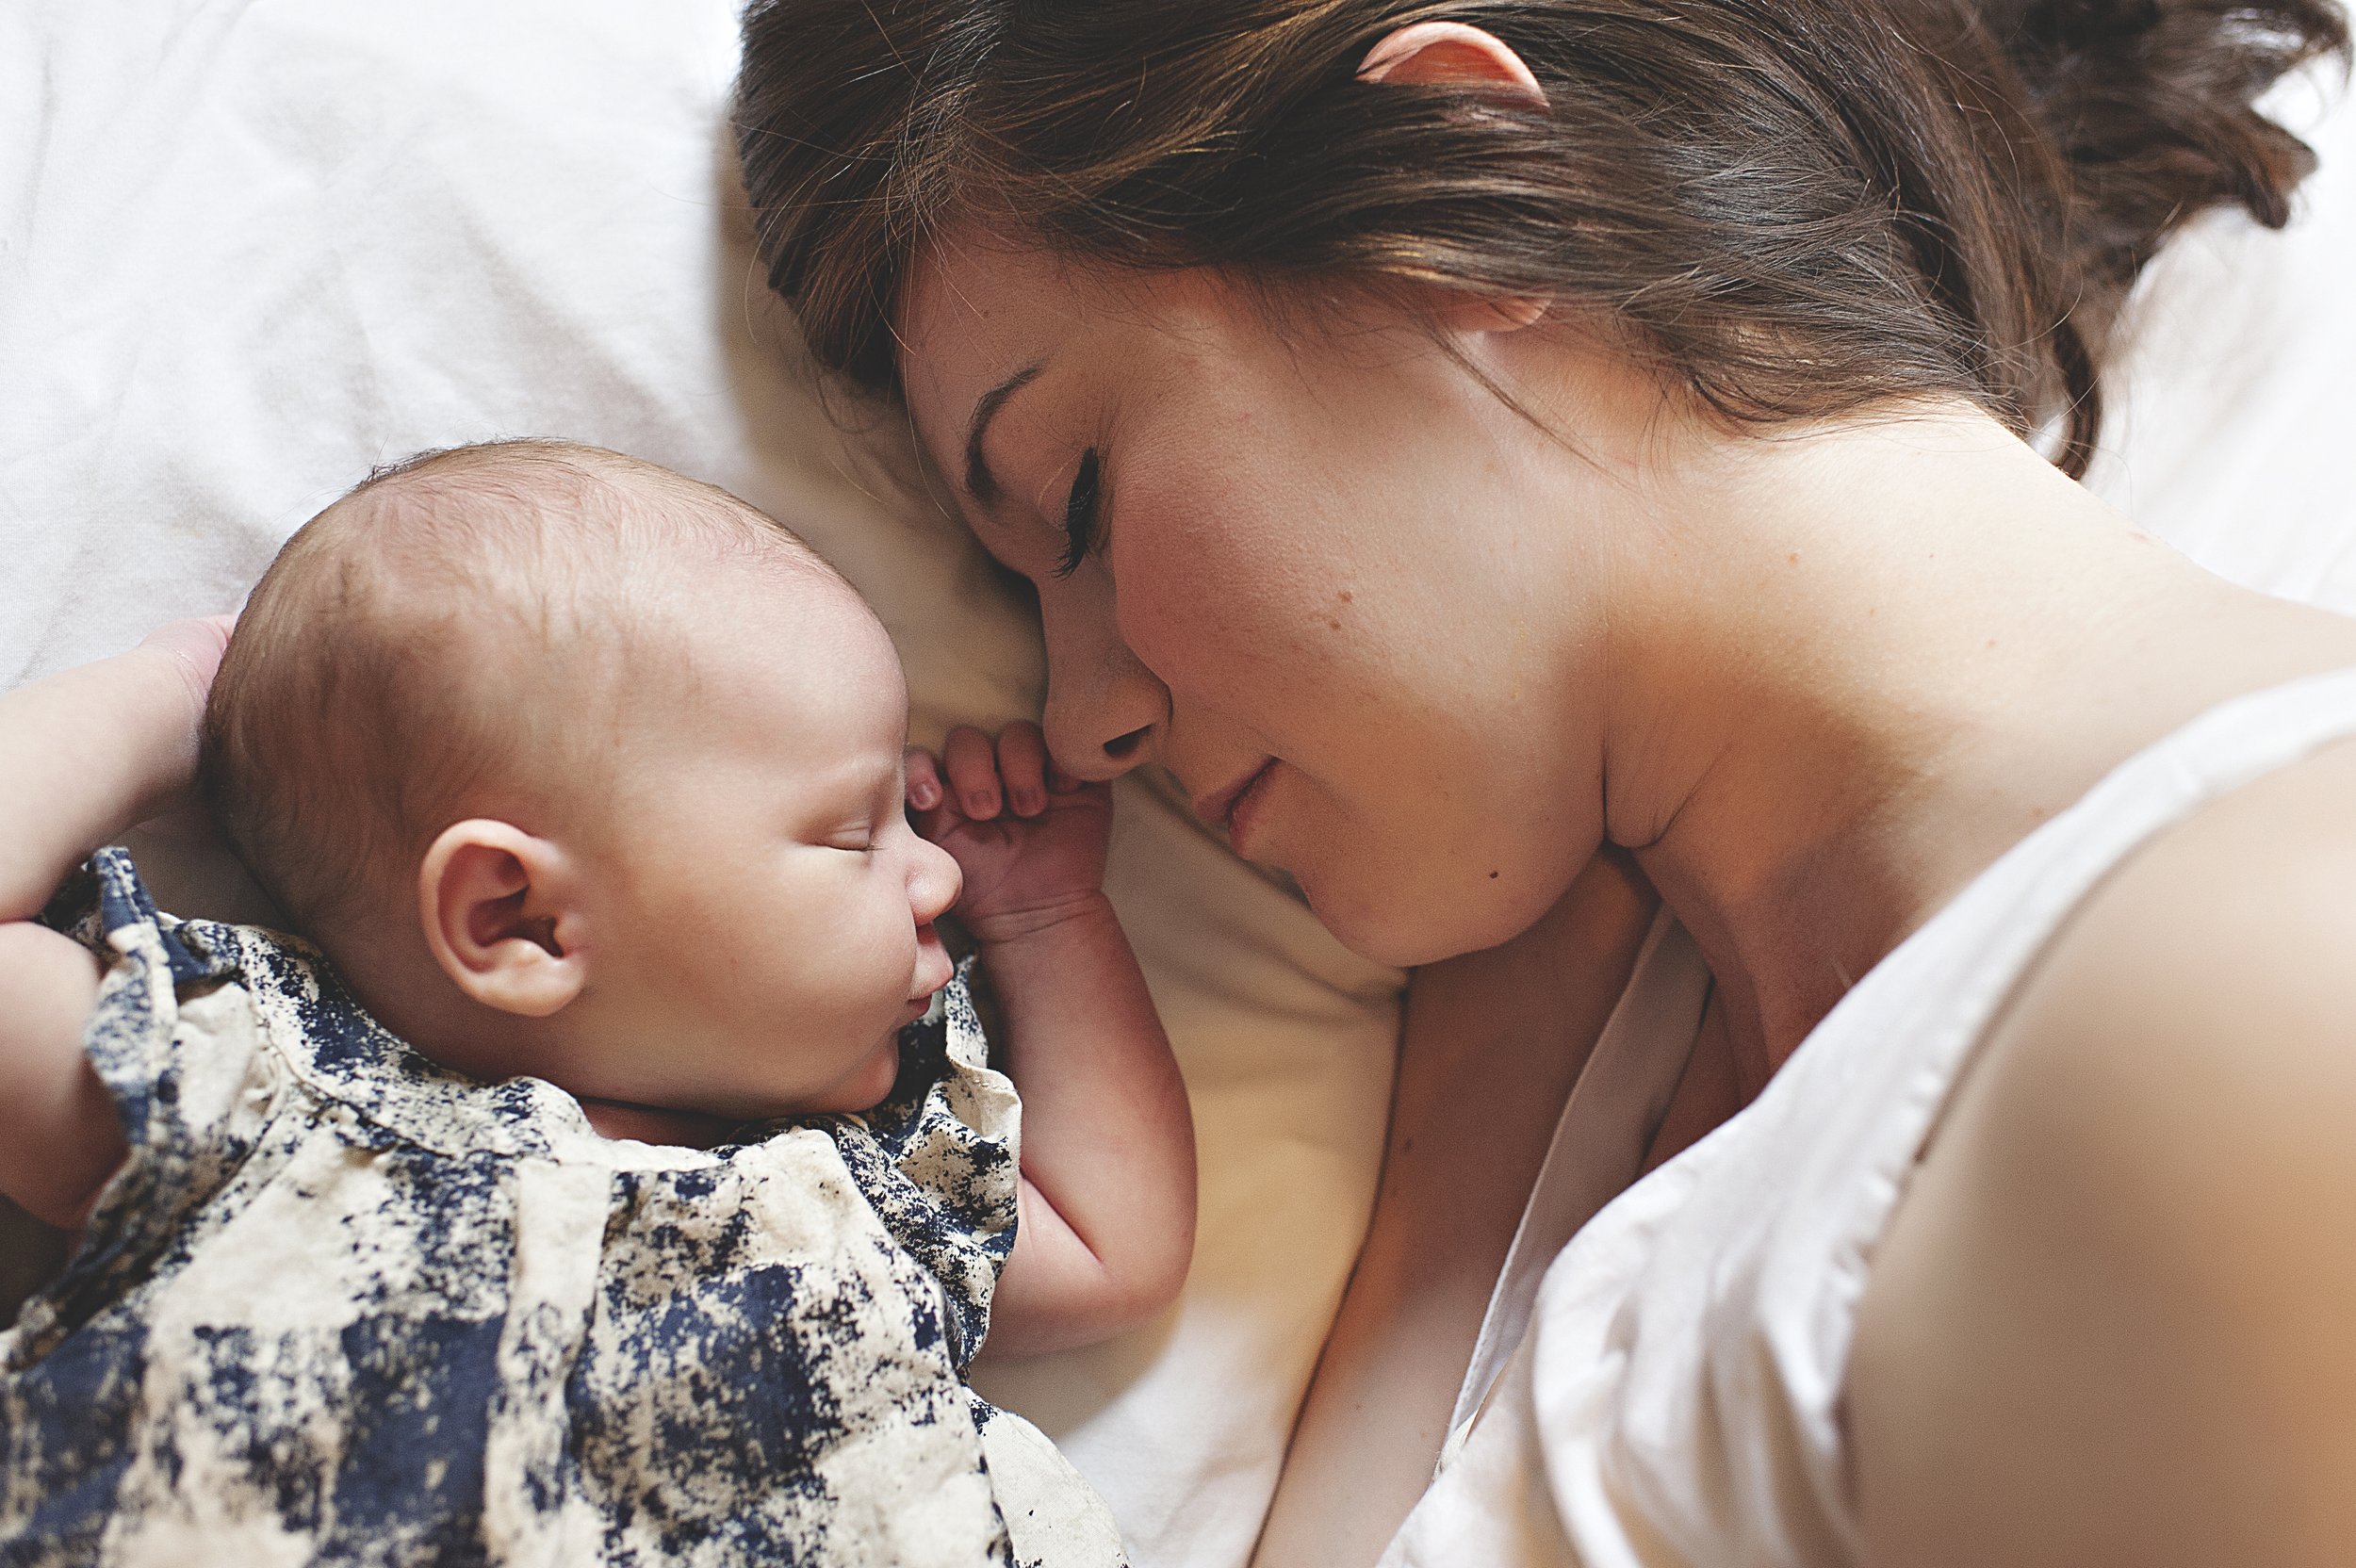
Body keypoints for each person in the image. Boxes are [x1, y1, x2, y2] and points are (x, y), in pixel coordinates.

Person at [733, 0, 2356, 1563]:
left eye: (1077, 506)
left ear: (1463, 193)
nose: (1087, 719)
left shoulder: (2236, 997)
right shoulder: (1607, 1027)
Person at [0, 440, 1194, 1564]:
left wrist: (1046, 920)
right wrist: (170, 701)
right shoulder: (259, 1096)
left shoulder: (870, 1188)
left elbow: (1110, 1246)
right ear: (519, 920)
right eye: (850, 830)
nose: (934, 871)